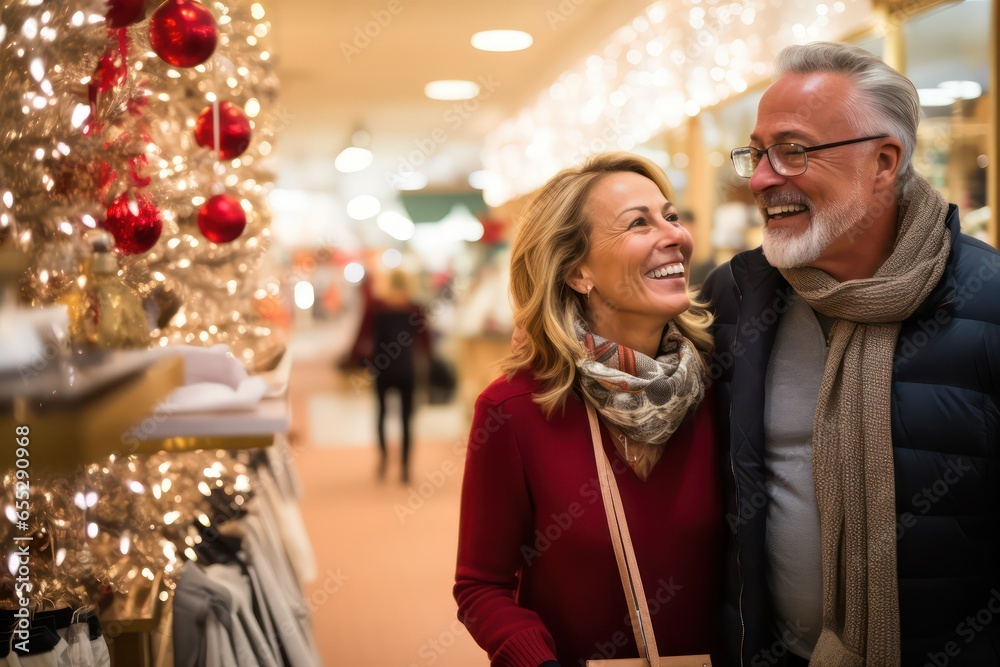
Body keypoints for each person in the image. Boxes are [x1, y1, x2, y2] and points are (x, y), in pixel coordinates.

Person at [701, 42, 1000, 666]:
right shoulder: (736, 297)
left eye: (792, 150)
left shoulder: (987, 302)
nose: (759, 179)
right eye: (756, 154)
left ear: (883, 162)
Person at [454, 152, 723, 666]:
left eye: (670, 215)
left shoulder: (723, 384)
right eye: (639, 223)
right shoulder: (515, 410)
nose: (674, 235)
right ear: (578, 271)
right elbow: (480, 586)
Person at [366, 269, 430, 484]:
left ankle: (384, 459)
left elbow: (363, 335)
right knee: (406, 418)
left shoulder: (376, 307)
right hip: (406, 367)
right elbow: (426, 341)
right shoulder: (414, 308)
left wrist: (351, 361)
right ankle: (405, 468)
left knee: (382, 414)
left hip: (382, 367)